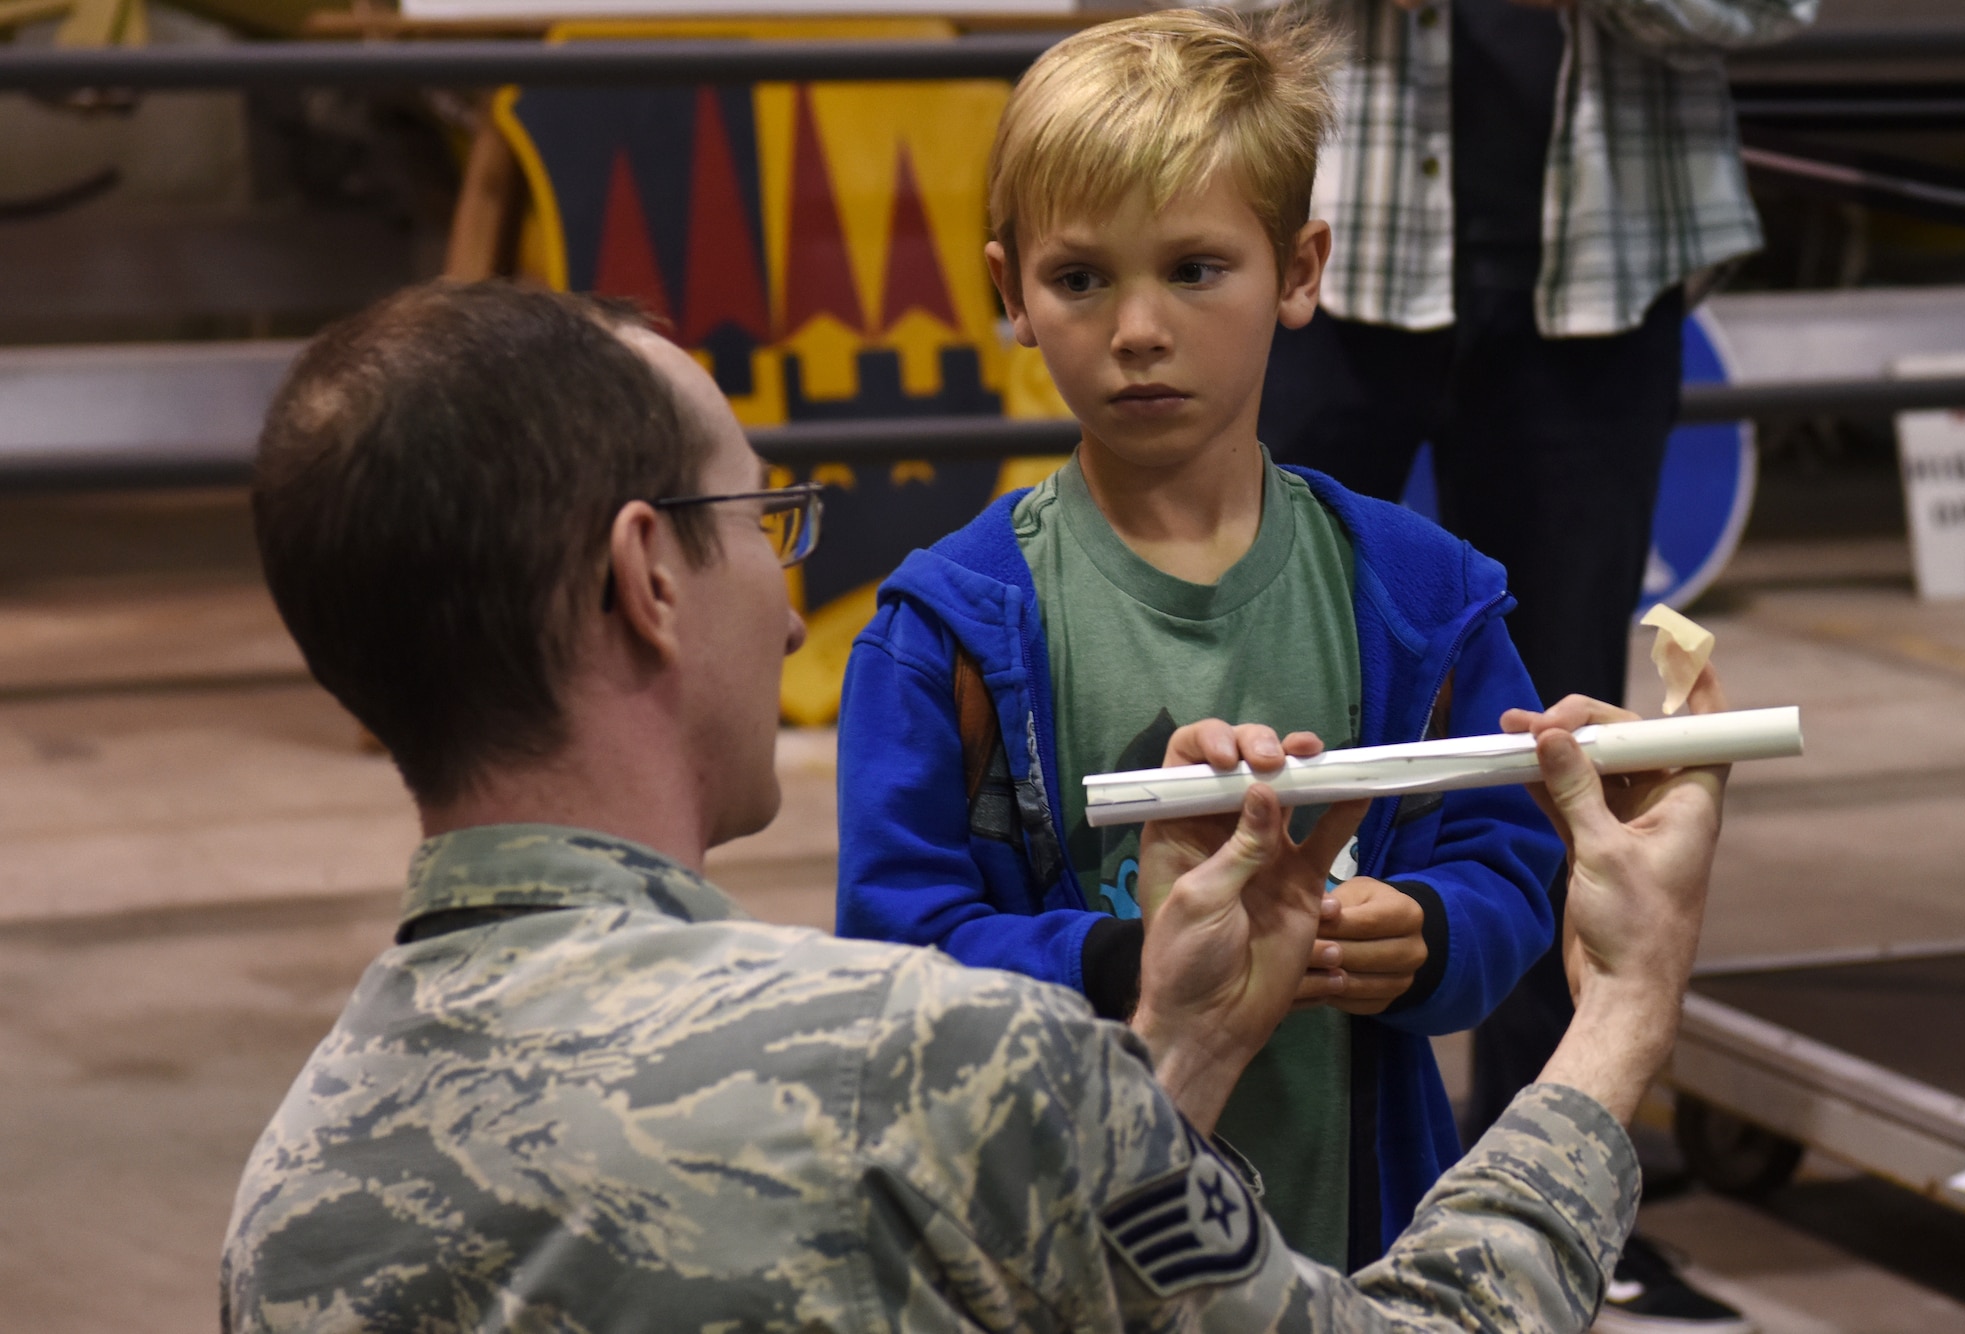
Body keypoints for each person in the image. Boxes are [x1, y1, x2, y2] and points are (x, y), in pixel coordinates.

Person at [221, 278, 1730, 1332]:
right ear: (649, 577)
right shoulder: (925, 1062)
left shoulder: (296, 1194)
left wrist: (1182, 1046)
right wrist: (1619, 1015)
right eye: (761, 515)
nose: (794, 582)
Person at [835, 7, 1559, 1271]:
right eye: (1079, 278)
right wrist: (1125, 958)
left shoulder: (1423, 597)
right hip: (1053, 1247)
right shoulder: (941, 628)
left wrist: (1429, 932)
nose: (1135, 329)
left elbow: (1511, 860)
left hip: (1354, 1252)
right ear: (1009, 292)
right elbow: (897, 945)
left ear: (1297, 270)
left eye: (1192, 268)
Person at [1257, 0, 1809, 1322]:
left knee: (1569, 741)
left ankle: (1556, 1187)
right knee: (1265, 706)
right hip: (1324, 237)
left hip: (1603, 269)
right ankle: (1252, 1177)